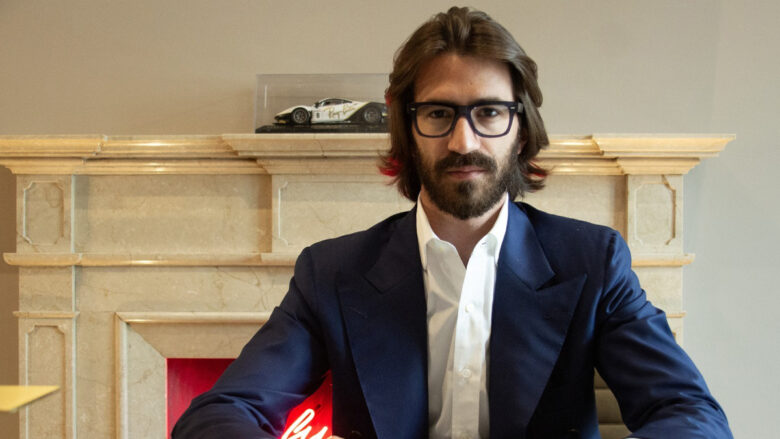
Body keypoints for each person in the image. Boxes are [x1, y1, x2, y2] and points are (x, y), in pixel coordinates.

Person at [173, 7, 731, 439]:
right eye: (439, 113)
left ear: (521, 129)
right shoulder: (332, 273)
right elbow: (218, 414)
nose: (464, 141)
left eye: (489, 112)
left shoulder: (594, 262)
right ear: (408, 129)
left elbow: (690, 414)